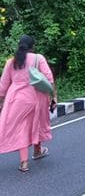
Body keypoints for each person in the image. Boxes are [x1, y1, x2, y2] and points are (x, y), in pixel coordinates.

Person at [0, 35, 56, 172]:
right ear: (33, 46)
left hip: (16, 99)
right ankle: (37, 151)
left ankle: (24, 163)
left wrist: (1, 101)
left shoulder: (11, 62)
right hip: (36, 97)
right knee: (36, 123)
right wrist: (54, 97)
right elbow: (49, 79)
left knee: (21, 129)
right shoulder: (38, 58)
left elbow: (3, 86)